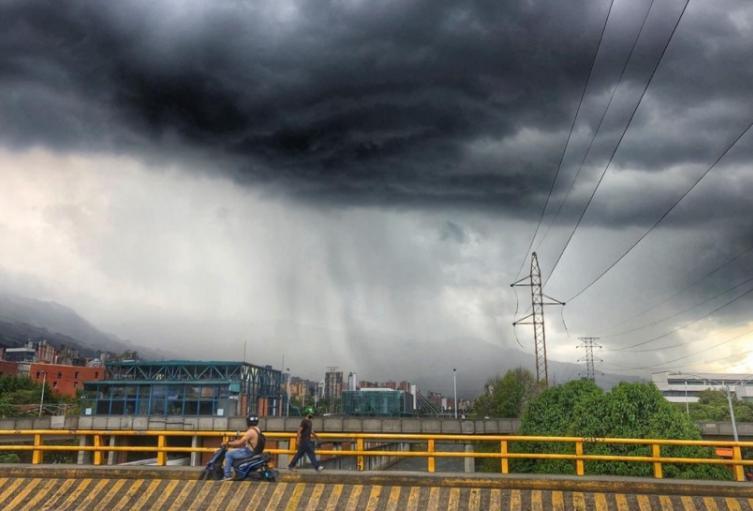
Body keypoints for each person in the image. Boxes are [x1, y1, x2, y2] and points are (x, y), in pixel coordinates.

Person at [222, 415, 263, 481]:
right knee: (234, 451)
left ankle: (227, 475)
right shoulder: (258, 429)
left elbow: (239, 443)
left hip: (249, 452)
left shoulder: (250, 432)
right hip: (255, 451)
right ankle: (235, 471)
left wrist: (227, 443)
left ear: (247, 422)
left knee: (228, 454)